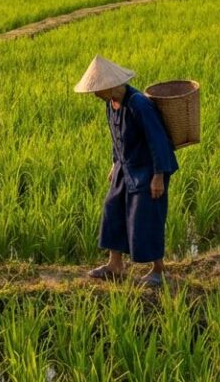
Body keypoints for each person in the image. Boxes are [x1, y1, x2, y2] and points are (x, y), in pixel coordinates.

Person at [74, 55, 179, 286]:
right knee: (113, 209)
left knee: (147, 216)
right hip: (126, 166)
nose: (95, 94)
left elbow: (158, 140)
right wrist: (115, 163)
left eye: (97, 89)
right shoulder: (111, 104)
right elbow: (116, 136)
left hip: (149, 169)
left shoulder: (139, 104)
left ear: (111, 86)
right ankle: (115, 265)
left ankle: (159, 271)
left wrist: (158, 176)